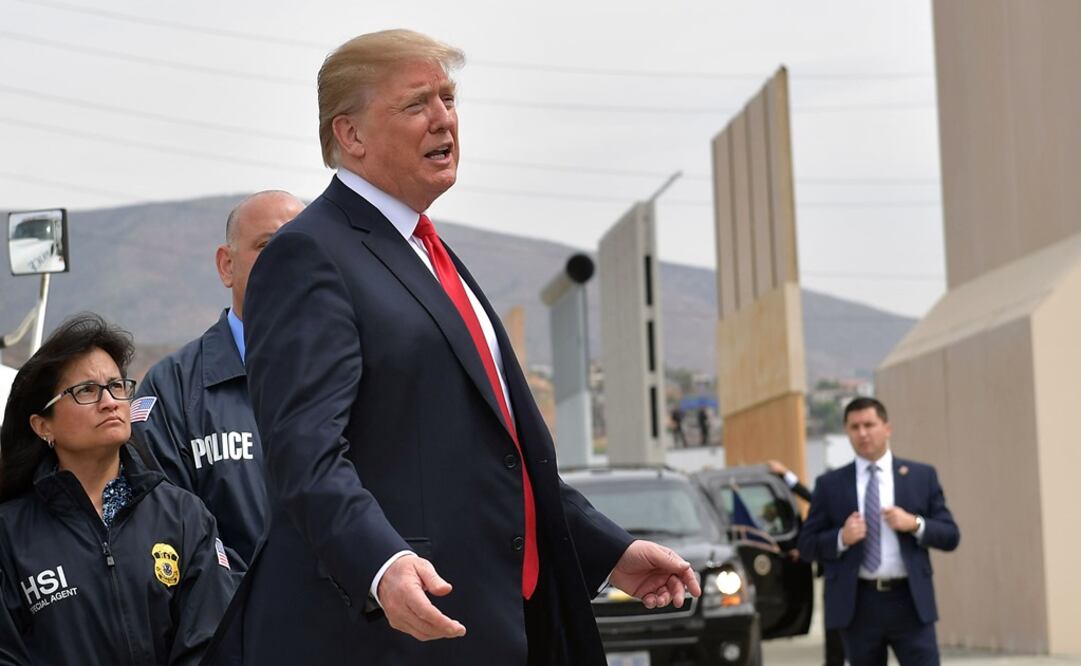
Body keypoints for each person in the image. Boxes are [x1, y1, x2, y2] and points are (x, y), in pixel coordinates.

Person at [232, 29, 700, 666]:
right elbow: (304, 453)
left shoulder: (428, 254)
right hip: (402, 635)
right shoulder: (309, 254)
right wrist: (380, 562)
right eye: (416, 103)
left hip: (503, 623)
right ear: (351, 135)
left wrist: (607, 550)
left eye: (448, 99)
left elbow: (498, 455)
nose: (443, 118)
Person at [0, 313, 235, 665]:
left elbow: (214, 644)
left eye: (116, 386)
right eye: (86, 391)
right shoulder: (9, 534)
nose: (110, 401)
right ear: (42, 425)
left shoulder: (184, 517)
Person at [130, 190, 304, 572]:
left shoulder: (353, 371)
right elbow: (161, 533)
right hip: (230, 625)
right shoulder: (172, 390)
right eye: (267, 245)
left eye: (301, 247)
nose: (287, 261)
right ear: (227, 265)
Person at [798, 397, 960, 666]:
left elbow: (951, 535)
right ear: (847, 432)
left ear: (887, 428)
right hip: (858, 605)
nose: (862, 433)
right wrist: (841, 538)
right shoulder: (830, 485)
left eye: (869, 425)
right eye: (854, 427)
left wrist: (915, 524)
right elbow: (806, 545)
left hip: (909, 602)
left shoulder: (921, 476)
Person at [768, 459, 844, 666]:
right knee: (835, 626)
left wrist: (786, 474)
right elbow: (810, 497)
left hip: (845, 573)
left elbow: (809, 495)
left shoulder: (844, 505)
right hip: (832, 574)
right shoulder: (831, 502)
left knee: (843, 626)